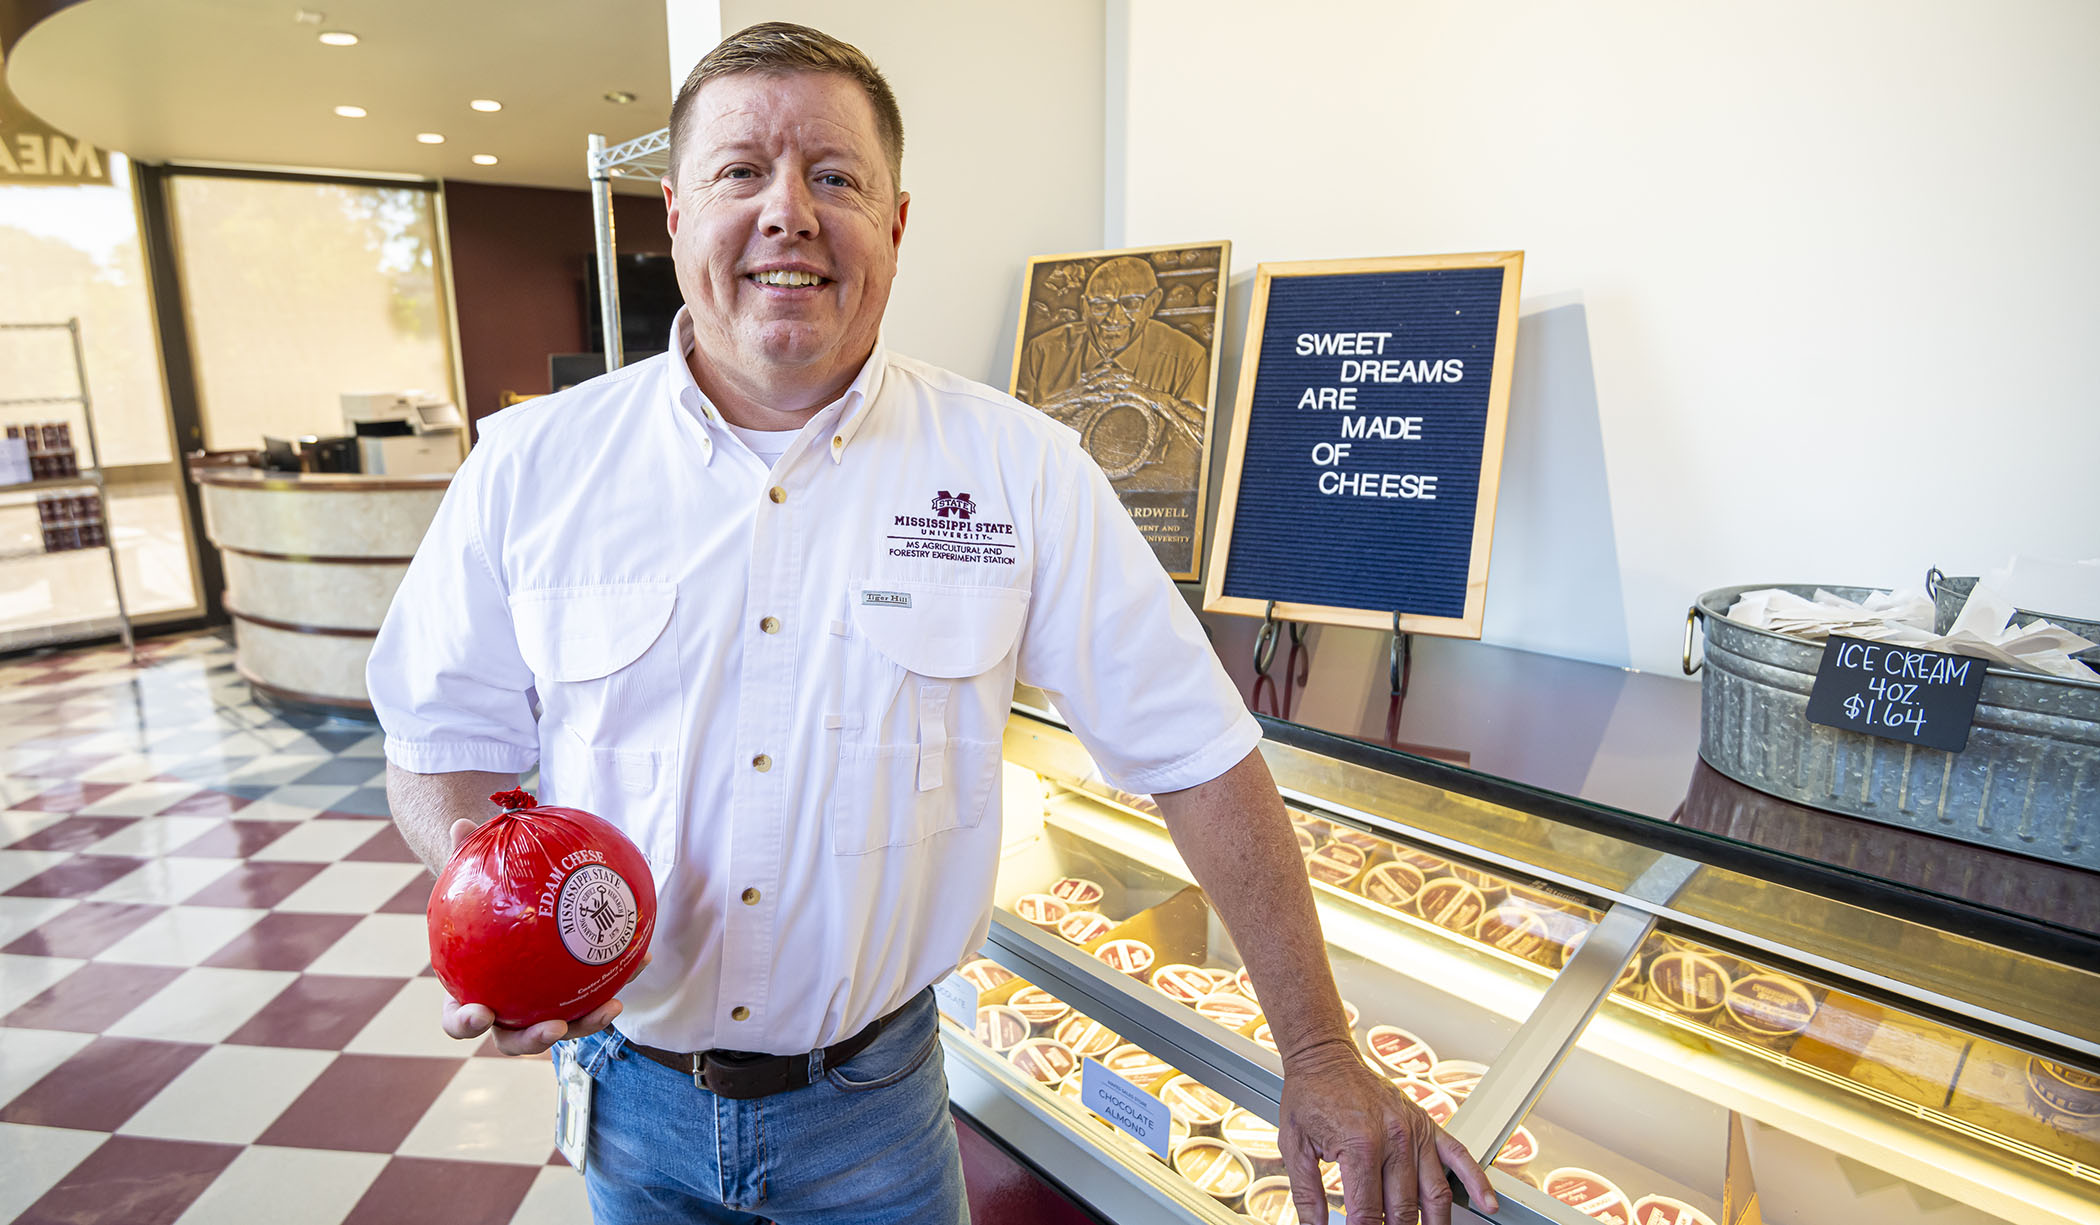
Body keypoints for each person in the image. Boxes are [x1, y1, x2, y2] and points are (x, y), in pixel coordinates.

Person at [368, 21, 1494, 1225]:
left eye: (836, 177)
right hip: (629, 1105)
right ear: (676, 215)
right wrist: (511, 918)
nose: (789, 212)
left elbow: (1197, 752)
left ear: (897, 226)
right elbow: (443, 744)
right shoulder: (534, 465)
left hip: (879, 1121)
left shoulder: (1023, 471)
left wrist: (1319, 1051)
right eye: (741, 172)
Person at [1016, 255, 1208, 408]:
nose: (1114, 317)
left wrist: (1153, 400)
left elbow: (1199, 439)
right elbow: (1017, 425)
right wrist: (1062, 403)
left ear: (1153, 303)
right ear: (1084, 306)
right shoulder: (1041, 352)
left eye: (1130, 304)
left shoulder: (1189, 357)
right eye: (1101, 305)